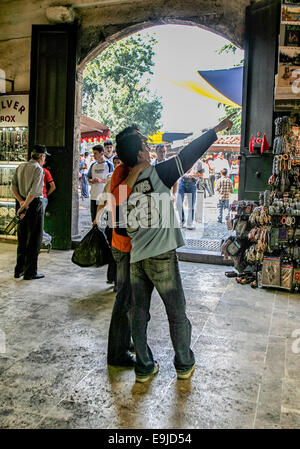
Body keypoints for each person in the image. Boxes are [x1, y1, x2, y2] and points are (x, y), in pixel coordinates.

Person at [115, 114, 234, 383]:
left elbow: (121, 228)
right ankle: (183, 362)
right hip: (162, 257)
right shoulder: (158, 174)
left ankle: (144, 366)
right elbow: (191, 153)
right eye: (145, 146)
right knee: (176, 312)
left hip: (137, 259)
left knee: (139, 314)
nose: (148, 148)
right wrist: (216, 129)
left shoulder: (122, 188)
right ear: (141, 153)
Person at [106, 125, 150, 367]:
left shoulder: (144, 169)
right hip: (125, 247)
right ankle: (116, 352)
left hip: (139, 246)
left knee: (134, 299)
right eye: (143, 144)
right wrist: (139, 169)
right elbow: (115, 199)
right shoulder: (122, 171)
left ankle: (130, 339)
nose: (147, 147)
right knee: (124, 299)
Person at [11, 144, 50, 280]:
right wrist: (26, 205)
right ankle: (30, 272)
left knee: (22, 238)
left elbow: (13, 187)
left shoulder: (21, 166)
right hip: (33, 205)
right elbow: (34, 192)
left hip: (21, 202)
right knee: (34, 239)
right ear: (42, 157)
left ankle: (19, 270)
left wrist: (21, 202)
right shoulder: (38, 169)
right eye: (44, 157)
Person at [93, 155, 122, 289]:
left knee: (115, 250)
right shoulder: (111, 180)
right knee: (116, 250)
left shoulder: (124, 178)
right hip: (114, 220)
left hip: (119, 219)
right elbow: (102, 201)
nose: (117, 165)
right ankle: (115, 280)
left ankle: (113, 278)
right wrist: (97, 218)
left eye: (119, 163)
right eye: (115, 163)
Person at [88, 144, 113, 222]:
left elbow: (112, 180)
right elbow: (89, 178)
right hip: (93, 195)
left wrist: (101, 181)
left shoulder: (109, 165)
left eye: (95, 153)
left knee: (102, 219)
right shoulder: (93, 165)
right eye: (93, 153)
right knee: (94, 219)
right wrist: (93, 180)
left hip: (104, 196)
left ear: (102, 153)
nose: (94, 155)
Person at [176, 158, 204, 230]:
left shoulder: (199, 162)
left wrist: (193, 175)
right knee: (178, 203)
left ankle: (189, 223)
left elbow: (201, 174)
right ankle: (182, 220)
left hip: (192, 183)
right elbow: (178, 171)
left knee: (191, 205)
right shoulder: (184, 158)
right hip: (182, 182)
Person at [41, 161, 56, 248]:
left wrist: (45, 195)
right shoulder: (44, 171)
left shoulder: (45, 171)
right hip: (42, 197)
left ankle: (46, 239)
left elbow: (53, 186)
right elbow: (53, 186)